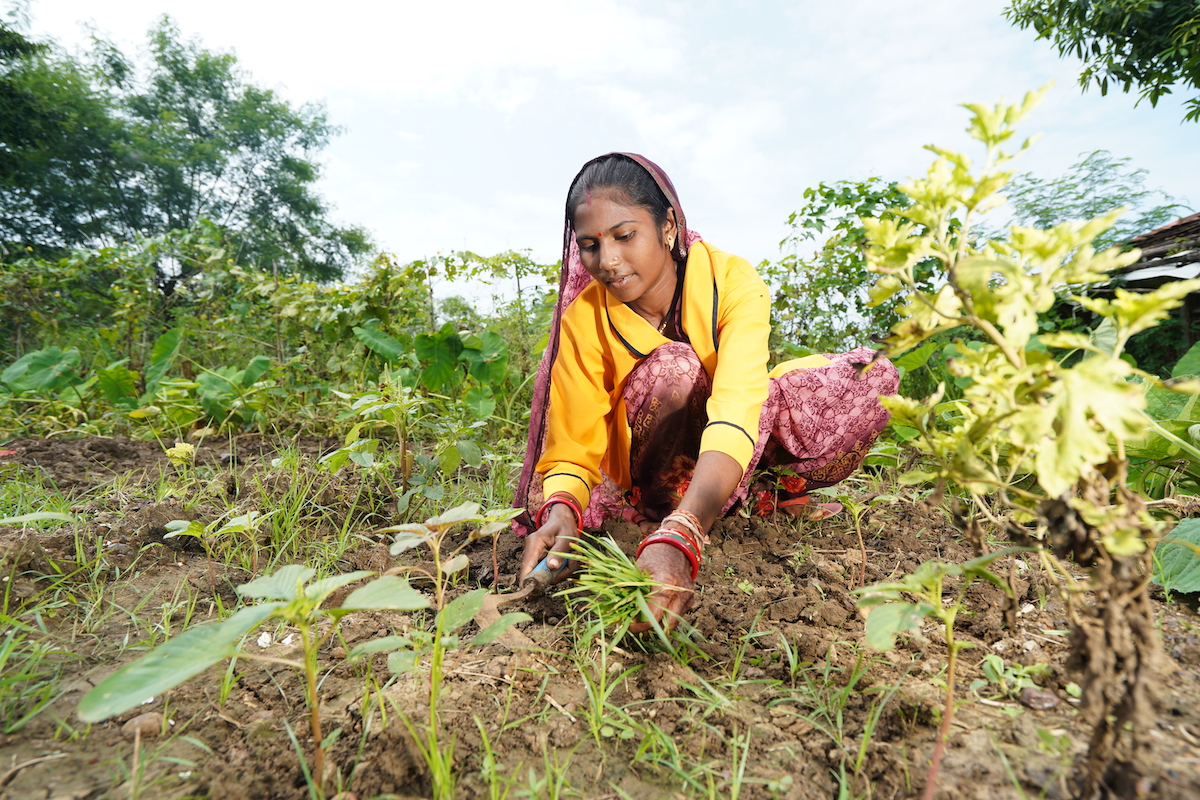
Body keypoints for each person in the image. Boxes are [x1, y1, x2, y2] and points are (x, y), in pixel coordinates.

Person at [514, 153, 897, 631]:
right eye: (590, 245)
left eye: (624, 236)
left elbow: (739, 407)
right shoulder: (586, 318)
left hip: (731, 437)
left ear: (668, 226)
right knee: (676, 367)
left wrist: (684, 536)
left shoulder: (731, 280)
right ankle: (663, 513)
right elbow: (573, 443)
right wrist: (563, 512)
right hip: (643, 473)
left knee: (871, 377)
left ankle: (742, 496)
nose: (607, 261)